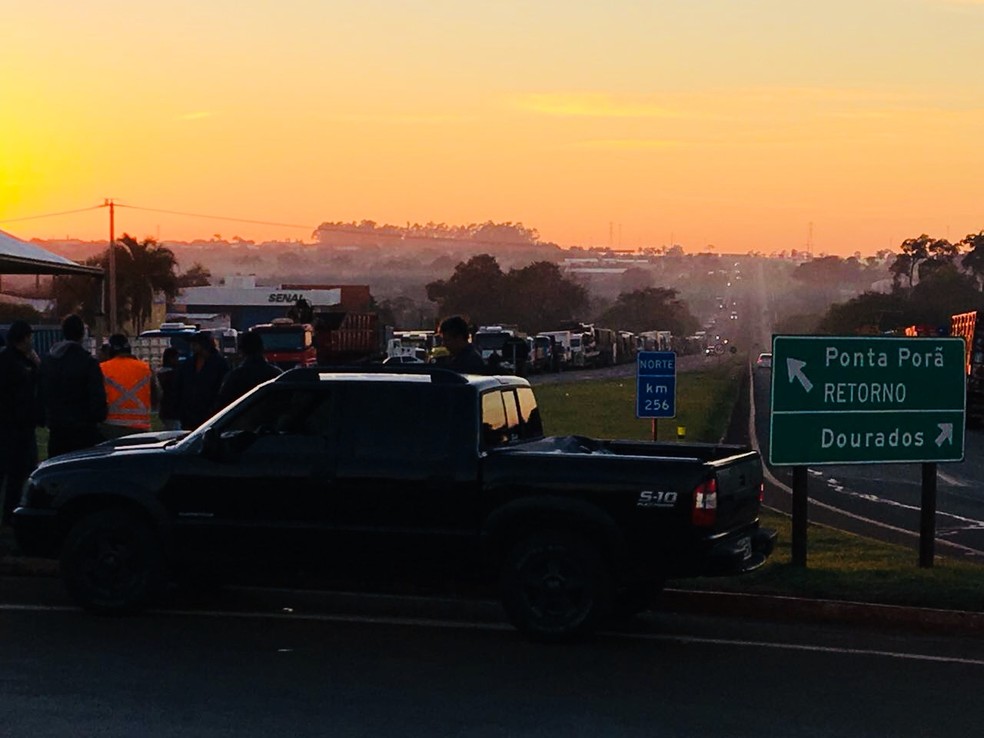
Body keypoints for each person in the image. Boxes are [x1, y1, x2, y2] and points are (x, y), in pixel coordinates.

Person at [39, 314, 107, 457]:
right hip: (84, 431)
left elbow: (41, 393)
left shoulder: (49, 362)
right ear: (82, 334)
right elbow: (97, 398)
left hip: (57, 430)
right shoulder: (88, 362)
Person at [0, 321, 41, 526]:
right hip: (17, 427)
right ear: (23, 338)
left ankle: (8, 516)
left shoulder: (8, 359)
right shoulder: (18, 364)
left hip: (11, 426)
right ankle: (10, 516)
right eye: (30, 337)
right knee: (17, 475)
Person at [99, 334, 160, 440]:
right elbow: (157, 397)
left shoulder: (102, 368)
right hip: (141, 428)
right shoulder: (146, 368)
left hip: (111, 427)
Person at [174, 331, 229, 430]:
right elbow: (180, 386)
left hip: (211, 415)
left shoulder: (219, 364)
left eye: (195, 344)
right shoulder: (188, 364)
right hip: (189, 416)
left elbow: (223, 388)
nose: (192, 346)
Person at [216, 331, 282, 409]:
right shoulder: (276, 375)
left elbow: (222, 405)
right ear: (262, 348)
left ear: (241, 350)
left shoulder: (235, 377)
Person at [156, 347, 182, 431]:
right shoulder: (173, 375)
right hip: (173, 410)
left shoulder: (159, 373)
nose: (178, 360)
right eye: (176, 358)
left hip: (164, 410)